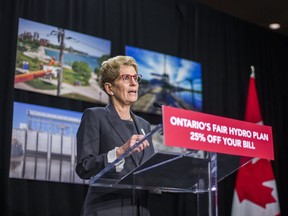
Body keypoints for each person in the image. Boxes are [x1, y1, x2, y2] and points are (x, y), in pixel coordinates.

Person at [76, 55, 155, 216]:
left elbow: (148, 172)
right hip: (107, 208)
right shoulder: (95, 116)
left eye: (135, 78)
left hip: (140, 209)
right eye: (126, 78)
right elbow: (84, 167)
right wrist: (119, 152)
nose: (134, 83)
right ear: (109, 88)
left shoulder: (144, 125)